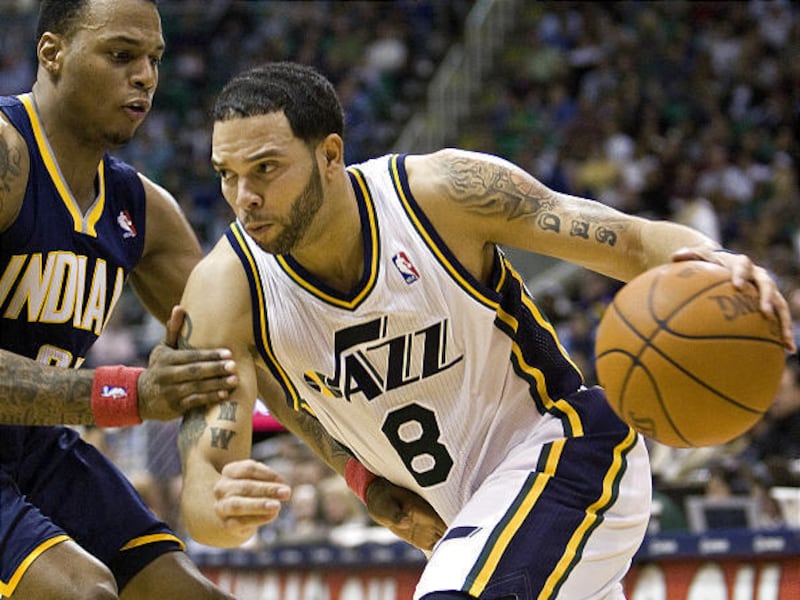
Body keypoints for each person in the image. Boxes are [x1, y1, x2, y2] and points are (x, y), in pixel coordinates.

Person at [176, 62, 796, 600]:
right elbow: (202, 491)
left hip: (567, 452)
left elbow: (630, 240)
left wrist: (712, 259)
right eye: (226, 175)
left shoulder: (440, 195)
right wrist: (229, 513)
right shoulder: (225, 288)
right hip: (471, 518)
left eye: (264, 168)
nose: (243, 196)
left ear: (330, 155)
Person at [0, 1, 243, 598]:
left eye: (154, 59)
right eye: (121, 55)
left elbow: (241, 349)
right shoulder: (7, 157)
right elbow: (140, 393)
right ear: (52, 53)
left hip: (36, 445)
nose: (146, 77)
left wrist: (359, 470)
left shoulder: (143, 209)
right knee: (83, 592)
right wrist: (130, 393)